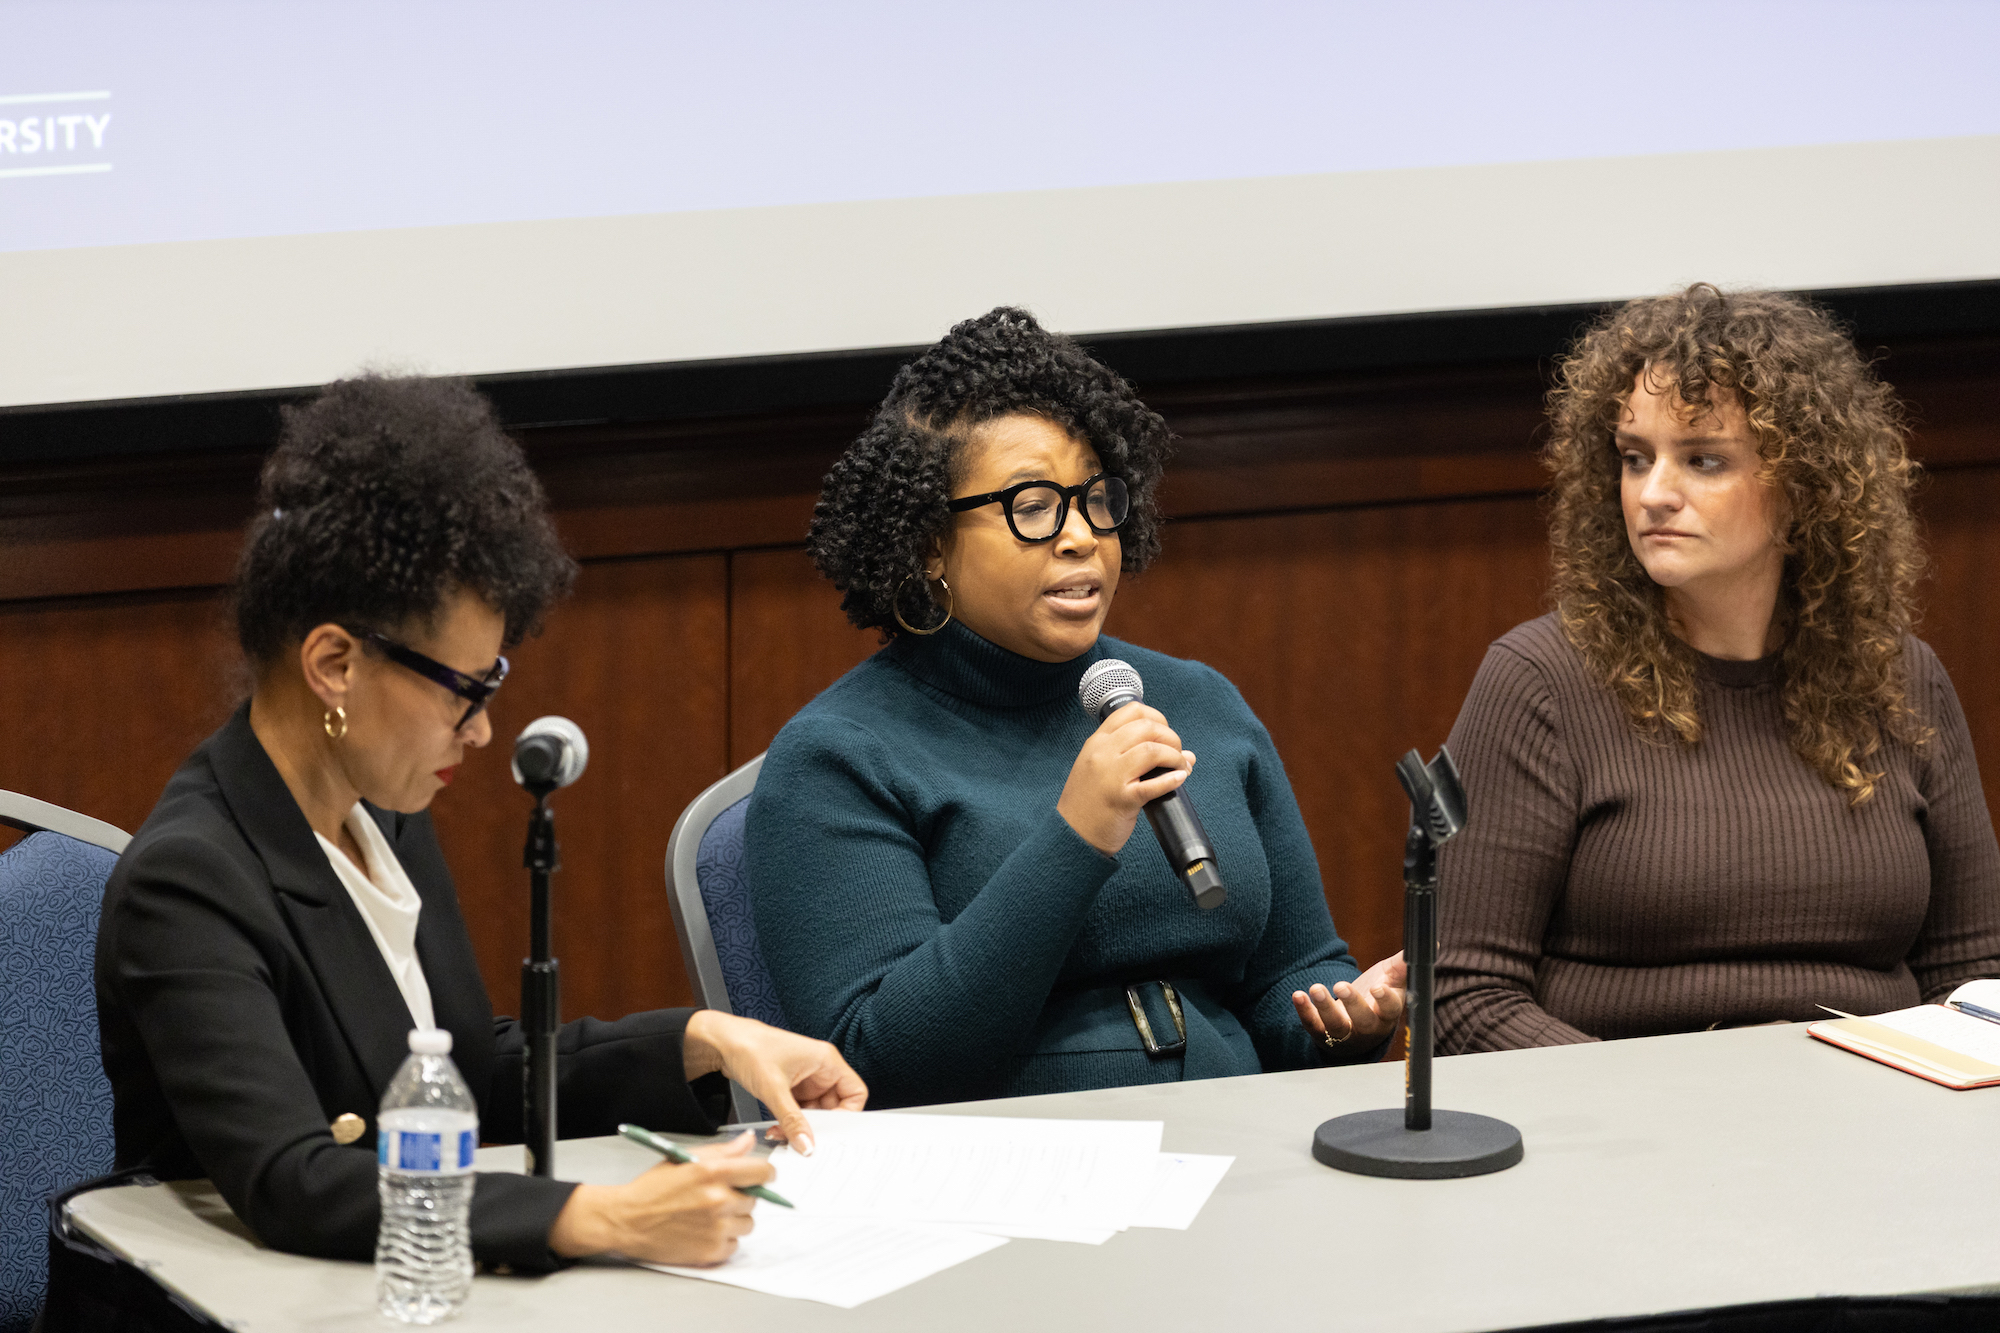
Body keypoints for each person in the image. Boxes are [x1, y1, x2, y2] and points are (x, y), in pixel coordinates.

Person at [92, 376, 866, 1274]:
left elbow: (465, 1077)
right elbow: (295, 1179)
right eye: (466, 689)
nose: (483, 727)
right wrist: (598, 1216)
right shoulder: (188, 878)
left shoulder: (380, 811)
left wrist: (700, 1039)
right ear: (334, 663)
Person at [746, 307, 1405, 1109]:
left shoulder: (1198, 700)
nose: (1080, 536)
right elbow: (877, 1065)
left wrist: (1344, 1019)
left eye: (1096, 499)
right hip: (1002, 1174)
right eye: (1032, 505)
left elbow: (1291, 978)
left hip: (1236, 1145)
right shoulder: (839, 756)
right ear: (928, 544)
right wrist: (1075, 839)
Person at [1434, 284, 2000, 1052]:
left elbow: (1973, 975)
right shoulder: (1540, 680)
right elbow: (1464, 994)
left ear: (1805, 488)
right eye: (1635, 459)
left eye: (1703, 460)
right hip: (1629, 1131)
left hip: (1873, 1118)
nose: (1654, 494)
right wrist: (1663, 1112)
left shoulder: (1900, 676)